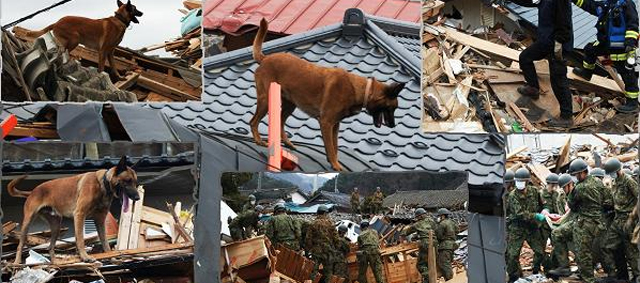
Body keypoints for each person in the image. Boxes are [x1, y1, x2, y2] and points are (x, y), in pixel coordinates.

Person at [510, 0, 575, 127]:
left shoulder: (561, 2)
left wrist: (559, 45)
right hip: (545, 42)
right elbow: (529, 2)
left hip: (558, 44)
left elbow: (564, 22)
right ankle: (533, 88)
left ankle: (567, 117)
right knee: (525, 57)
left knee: (558, 79)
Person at [570, 0, 639, 112]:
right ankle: (587, 73)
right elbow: (590, 5)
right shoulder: (607, 4)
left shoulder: (626, 4)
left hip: (621, 45)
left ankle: (632, 102)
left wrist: (630, 42)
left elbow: (633, 23)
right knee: (590, 49)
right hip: (607, 43)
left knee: (626, 73)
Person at [566, 159, 608, 283]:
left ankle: (588, 278)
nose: (575, 177)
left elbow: (571, 204)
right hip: (600, 222)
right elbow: (608, 200)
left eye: (576, 175)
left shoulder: (579, 188)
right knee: (597, 249)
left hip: (585, 223)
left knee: (583, 251)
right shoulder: (598, 182)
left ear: (583, 173)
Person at [505, 168, 547, 282]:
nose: (519, 183)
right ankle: (514, 277)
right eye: (517, 181)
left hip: (532, 228)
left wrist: (545, 210)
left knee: (539, 251)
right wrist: (536, 216)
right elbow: (519, 214)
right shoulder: (513, 196)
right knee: (513, 255)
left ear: (527, 181)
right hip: (517, 228)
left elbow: (542, 204)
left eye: (522, 181)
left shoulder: (534, 191)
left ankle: (535, 270)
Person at [603, 158, 639, 281]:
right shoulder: (614, 181)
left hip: (629, 219)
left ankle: (637, 276)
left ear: (619, 170)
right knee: (607, 246)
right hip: (617, 220)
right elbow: (615, 199)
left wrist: (633, 217)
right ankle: (613, 275)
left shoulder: (629, 181)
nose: (614, 175)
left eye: (615, 172)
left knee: (631, 251)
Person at [549, 174, 577, 277]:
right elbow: (564, 213)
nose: (564, 190)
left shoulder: (578, 192)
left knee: (558, 234)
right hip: (572, 221)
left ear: (570, 184)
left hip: (581, 221)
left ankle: (566, 267)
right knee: (557, 234)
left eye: (565, 187)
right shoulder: (562, 196)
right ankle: (563, 267)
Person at [305, 205, 339, 283]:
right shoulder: (330, 223)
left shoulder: (313, 223)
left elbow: (308, 239)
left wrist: (309, 250)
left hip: (316, 251)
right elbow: (336, 238)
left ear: (318, 213)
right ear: (325, 213)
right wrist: (336, 248)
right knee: (328, 272)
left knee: (314, 271)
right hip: (328, 251)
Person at [403, 208, 438, 283]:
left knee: (420, 264)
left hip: (425, 243)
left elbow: (405, 232)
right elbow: (433, 231)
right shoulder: (432, 221)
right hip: (435, 243)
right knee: (431, 262)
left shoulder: (417, 224)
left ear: (419, 216)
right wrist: (417, 236)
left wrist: (404, 231)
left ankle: (428, 278)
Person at [435, 208, 457, 281]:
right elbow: (457, 230)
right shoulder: (452, 222)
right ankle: (449, 278)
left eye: (439, 216)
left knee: (444, 263)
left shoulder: (442, 223)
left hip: (445, 245)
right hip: (452, 245)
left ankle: (450, 279)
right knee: (448, 262)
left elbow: (439, 235)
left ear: (442, 216)